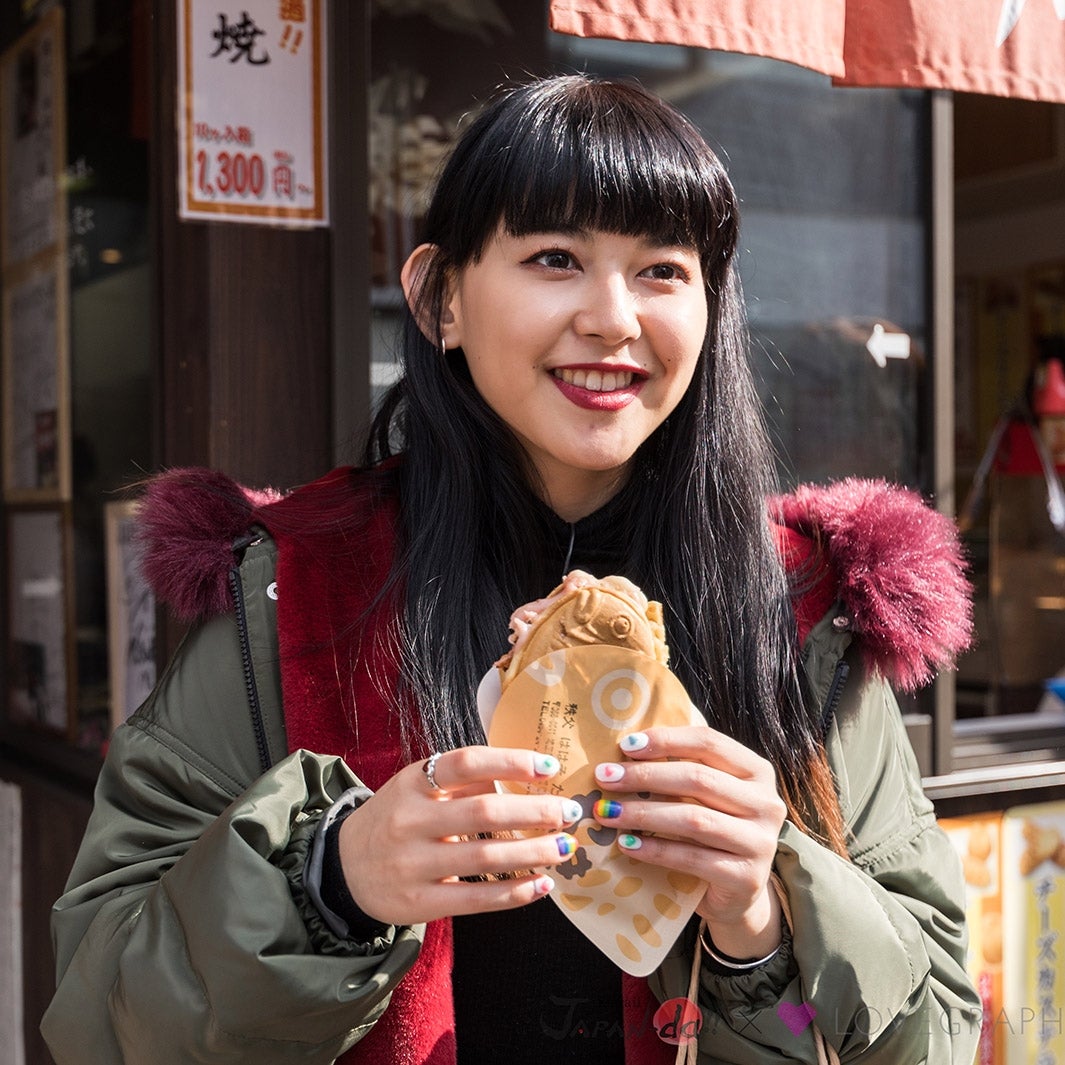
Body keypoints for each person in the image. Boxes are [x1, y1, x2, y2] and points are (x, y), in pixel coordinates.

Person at [42, 75, 980, 1065]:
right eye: (554, 258)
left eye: (662, 270)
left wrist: (764, 924)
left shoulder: (802, 611)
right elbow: (101, 1020)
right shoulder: (296, 592)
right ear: (439, 297)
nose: (614, 318)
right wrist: (328, 883)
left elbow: (931, 1039)